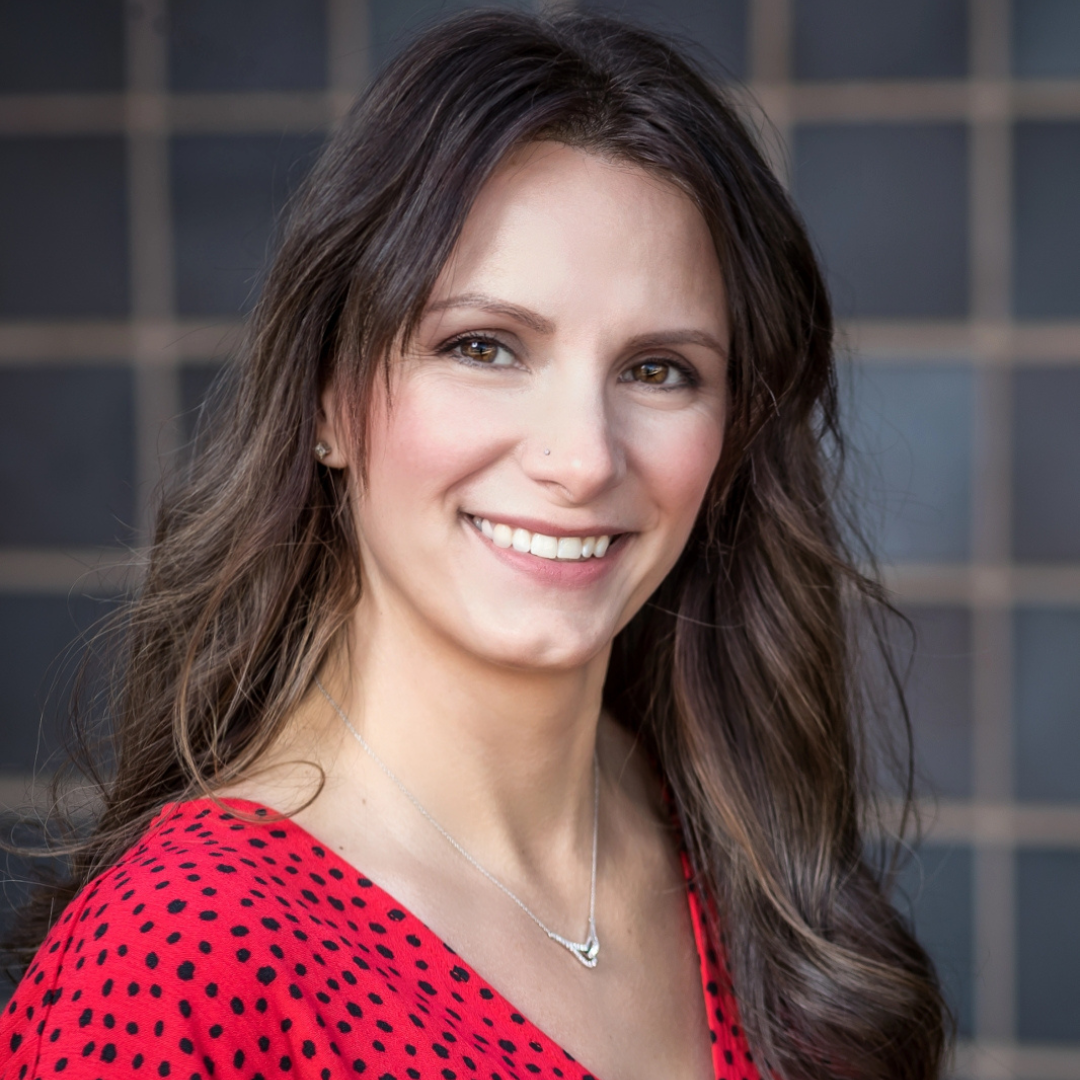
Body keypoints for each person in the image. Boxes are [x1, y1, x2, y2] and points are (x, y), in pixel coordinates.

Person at [1, 10, 947, 1080]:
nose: (583, 458)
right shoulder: (181, 955)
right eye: (484, 346)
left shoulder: (728, 830)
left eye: (658, 369)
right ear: (328, 399)